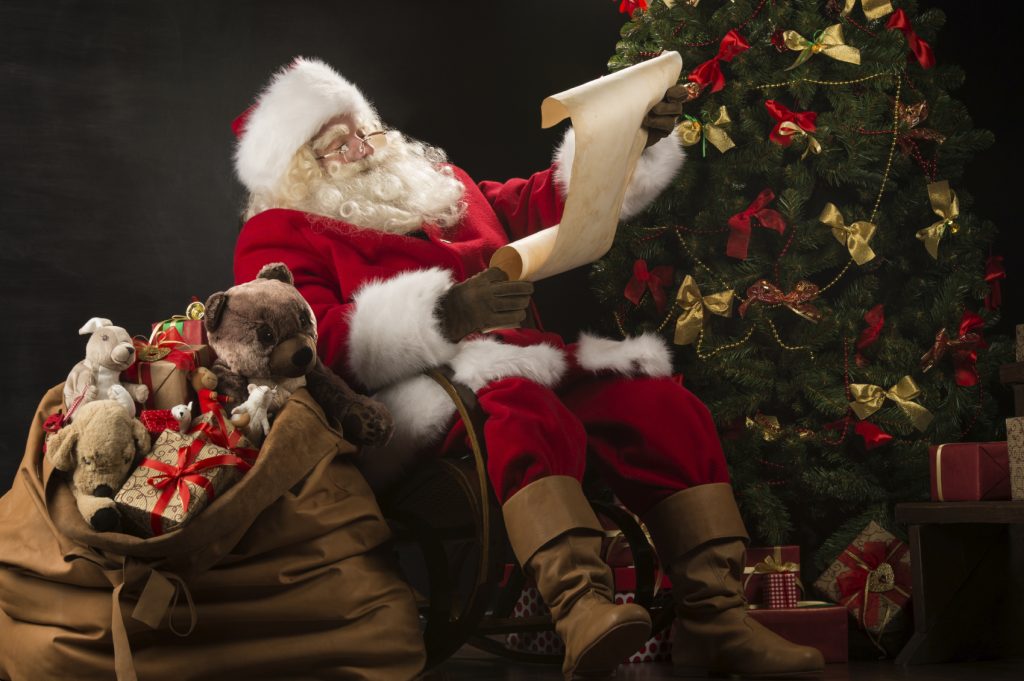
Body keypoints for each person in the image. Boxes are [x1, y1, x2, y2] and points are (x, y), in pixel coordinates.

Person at [231, 57, 825, 680]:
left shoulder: (440, 189)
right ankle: (579, 608)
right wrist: (447, 315)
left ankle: (718, 618)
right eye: (335, 144)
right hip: (413, 404)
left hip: (524, 368)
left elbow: (545, 202)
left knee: (652, 397)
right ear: (299, 168)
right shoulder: (278, 231)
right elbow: (306, 346)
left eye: (364, 130)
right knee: (516, 394)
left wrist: (627, 142)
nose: (361, 148)